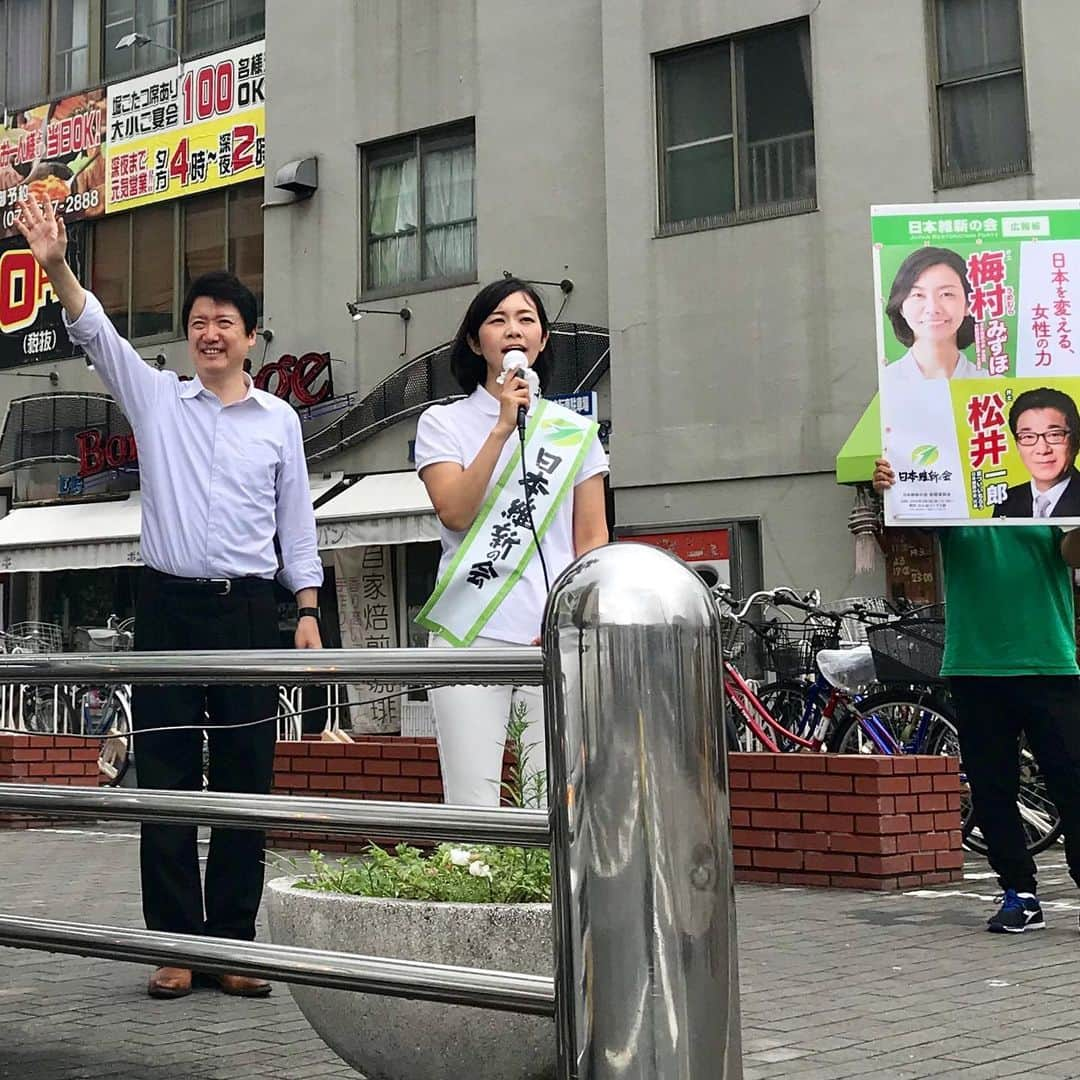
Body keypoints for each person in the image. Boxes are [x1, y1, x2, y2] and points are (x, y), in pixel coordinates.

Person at [15, 196, 323, 998]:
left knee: (248, 779)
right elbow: (96, 334)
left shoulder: (279, 421)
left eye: (226, 320)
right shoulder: (158, 399)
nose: (210, 332)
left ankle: (236, 949)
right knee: (167, 777)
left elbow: (296, 523)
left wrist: (310, 609)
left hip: (253, 609)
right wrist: (55, 262)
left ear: (251, 337)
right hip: (170, 608)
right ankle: (179, 947)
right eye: (198, 321)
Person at [414, 278, 609, 806]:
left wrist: (571, 621)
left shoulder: (573, 432)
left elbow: (592, 540)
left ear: (542, 340)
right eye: (497, 320)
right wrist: (501, 426)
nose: (513, 329)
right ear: (476, 342)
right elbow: (454, 511)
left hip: (550, 639)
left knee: (551, 803)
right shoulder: (444, 422)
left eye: (525, 319)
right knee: (472, 801)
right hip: (469, 634)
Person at [873, 455, 1080, 933]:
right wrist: (893, 491)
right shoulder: (950, 484)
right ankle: (1019, 892)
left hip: (1047, 659)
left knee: (1071, 779)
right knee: (992, 788)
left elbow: (1072, 554)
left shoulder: (1048, 490)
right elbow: (907, 539)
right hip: (975, 664)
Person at [881, 246, 988, 389]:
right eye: (918, 295)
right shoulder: (884, 384)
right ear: (901, 307)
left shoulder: (992, 384)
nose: (932, 309)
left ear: (968, 305)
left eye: (947, 294)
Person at [994, 387, 1080, 519]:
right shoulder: (1006, 500)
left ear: (1076, 441)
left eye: (1054, 434)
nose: (1042, 449)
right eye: (1028, 436)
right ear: (1017, 444)